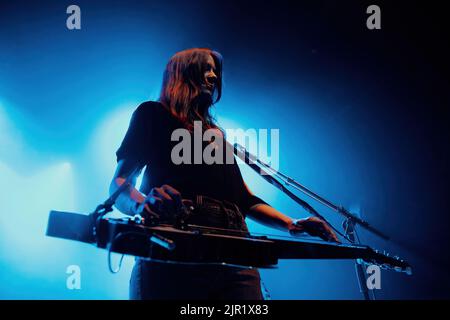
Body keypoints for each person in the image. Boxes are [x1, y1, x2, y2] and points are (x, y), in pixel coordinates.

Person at [110, 48, 339, 300]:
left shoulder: (216, 134)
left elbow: (243, 198)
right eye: (205, 69)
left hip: (237, 246)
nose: (212, 76)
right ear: (183, 72)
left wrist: (291, 224)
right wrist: (143, 204)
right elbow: (119, 184)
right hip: (175, 238)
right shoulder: (152, 113)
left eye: (215, 71)